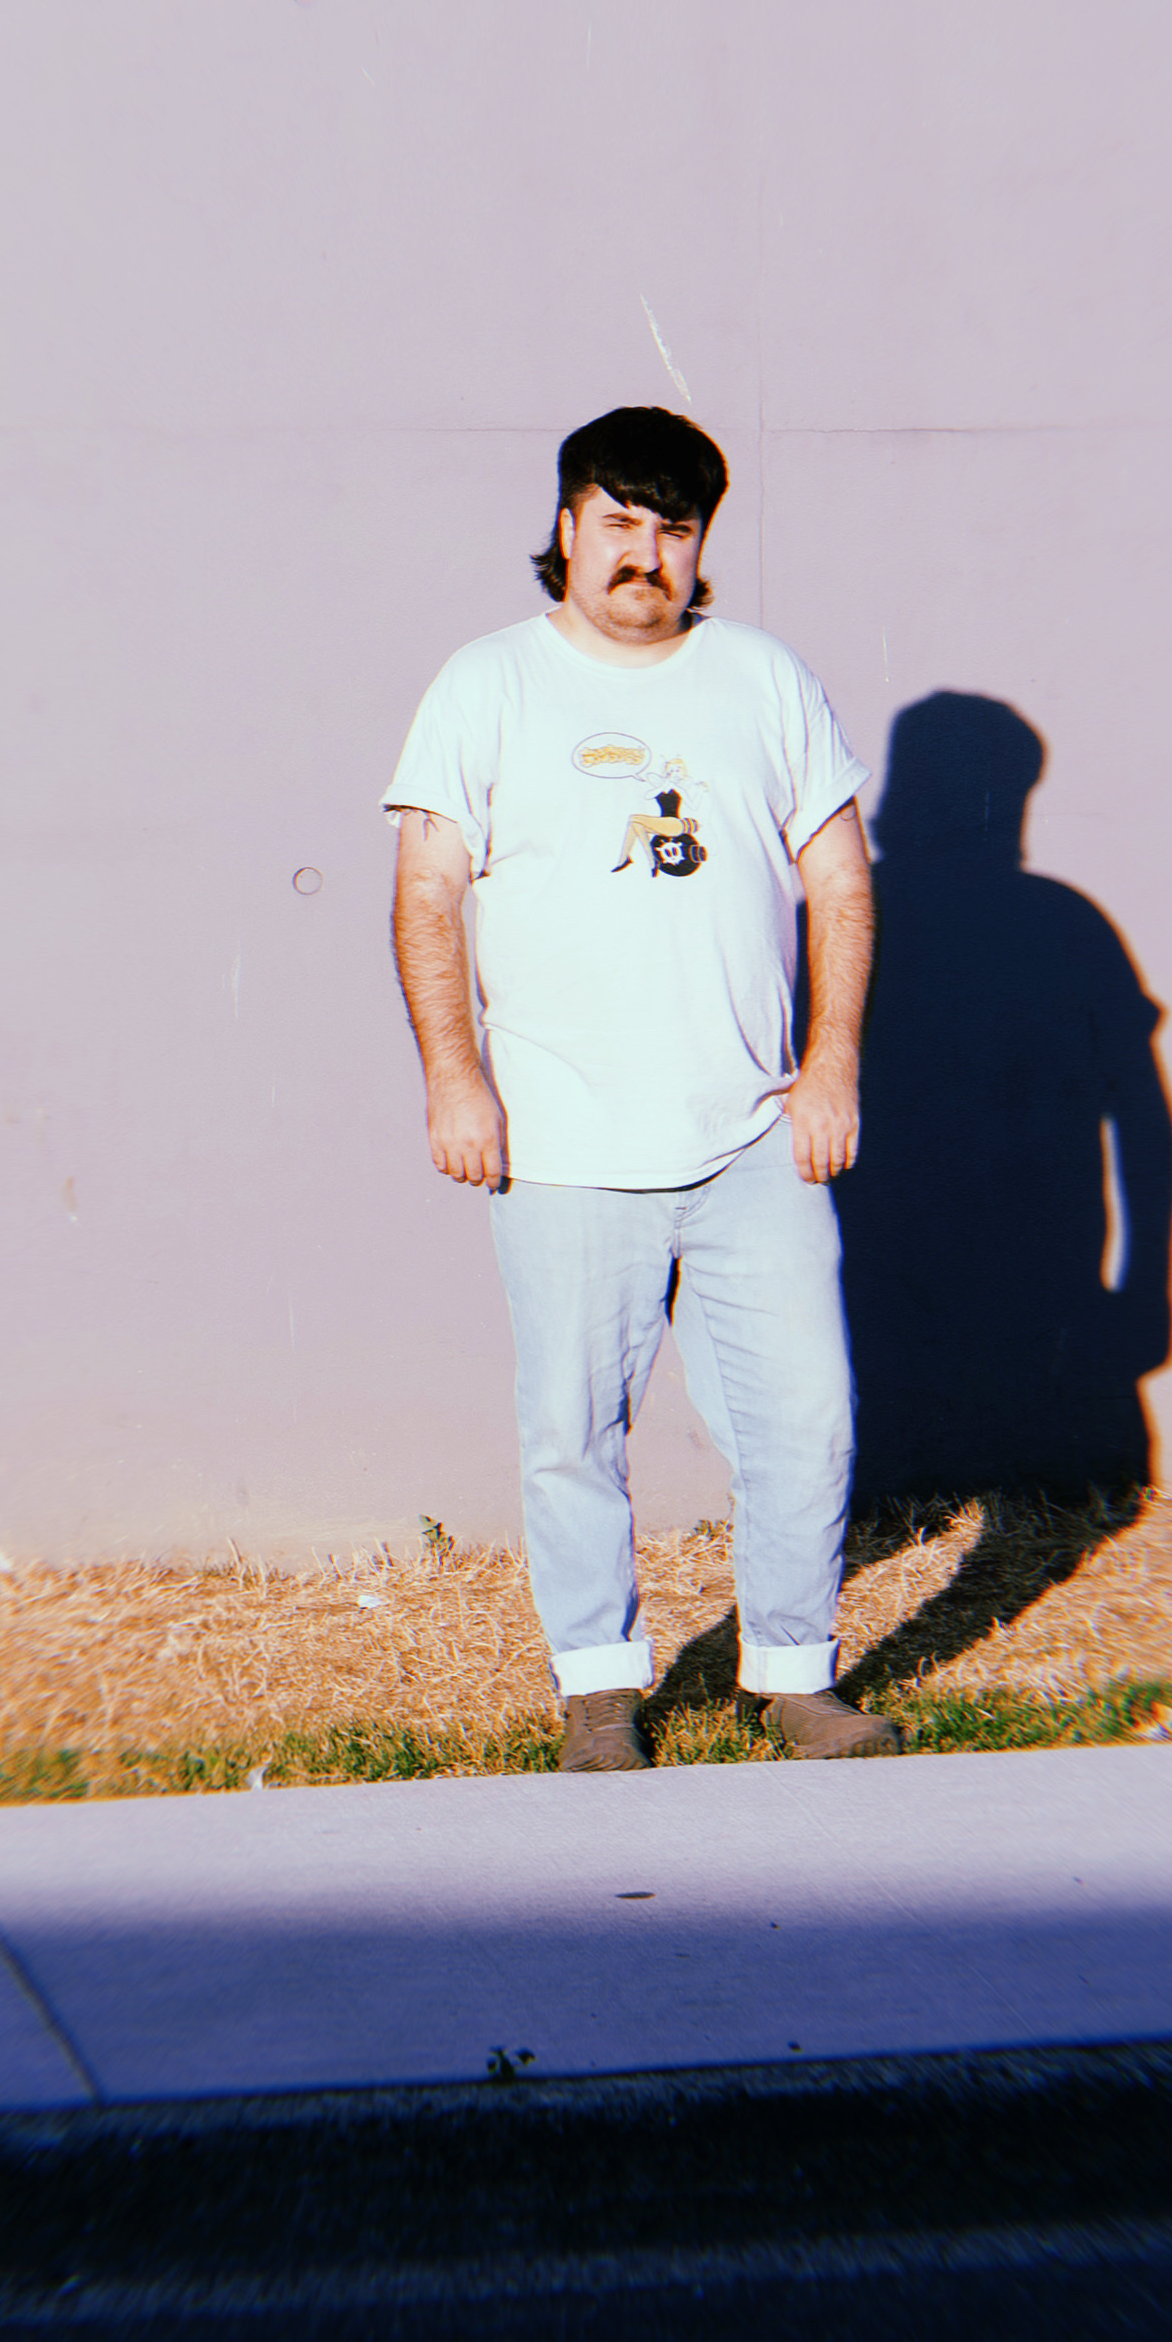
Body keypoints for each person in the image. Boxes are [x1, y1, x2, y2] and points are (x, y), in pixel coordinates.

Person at [383, 405, 900, 1769]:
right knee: (572, 1433)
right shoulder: (487, 684)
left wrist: (831, 1063)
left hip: (749, 1137)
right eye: (619, 522)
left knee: (804, 1418)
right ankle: (600, 1694)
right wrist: (456, 1079)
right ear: (567, 527)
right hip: (560, 1138)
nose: (645, 554)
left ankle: (794, 1676)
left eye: (674, 528)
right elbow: (427, 892)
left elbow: (841, 879)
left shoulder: (763, 679)